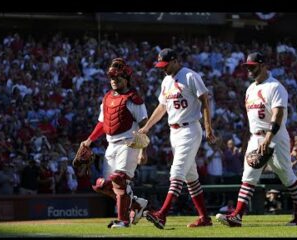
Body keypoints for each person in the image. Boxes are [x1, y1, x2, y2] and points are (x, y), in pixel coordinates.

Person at [216, 52, 297, 227]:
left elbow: (278, 113)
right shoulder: (250, 88)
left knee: (287, 176)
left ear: (263, 65)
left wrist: (269, 136)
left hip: (275, 135)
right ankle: (237, 216)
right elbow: (251, 119)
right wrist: (247, 141)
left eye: (252, 66)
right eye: (247, 67)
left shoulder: (275, 86)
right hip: (256, 136)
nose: (249, 70)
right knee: (248, 176)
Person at [138, 48, 216, 229]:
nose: (162, 69)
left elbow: (205, 101)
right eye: (160, 65)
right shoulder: (166, 81)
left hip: (190, 129)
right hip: (174, 132)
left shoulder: (190, 76)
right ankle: (205, 218)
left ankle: (162, 214)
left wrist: (208, 127)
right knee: (190, 177)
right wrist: (147, 127)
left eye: (165, 65)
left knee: (177, 171)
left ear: (175, 61)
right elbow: (162, 107)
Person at [80, 58, 148, 228]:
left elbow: (144, 127)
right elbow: (103, 123)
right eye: (111, 77)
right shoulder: (107, 97)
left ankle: (123, 221)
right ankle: (136, 204)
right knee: (101, 185)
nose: (113, 81)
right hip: (111, 145)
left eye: (117, 78)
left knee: (119, 180)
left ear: (126, 78)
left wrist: (143, 150)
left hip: (129, 143)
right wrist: (89, 140)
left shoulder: (134, 99)